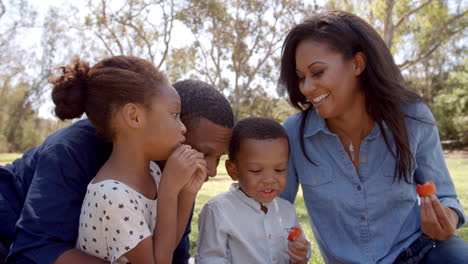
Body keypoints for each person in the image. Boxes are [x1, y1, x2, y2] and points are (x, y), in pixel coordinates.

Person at [278, 10, 467, 264]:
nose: (307, 87)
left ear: (357, 64)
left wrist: (447, 218)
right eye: (301, 77)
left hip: (423, 251)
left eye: (318, 72)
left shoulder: (411, 116)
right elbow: (274, 210)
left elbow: (444, 195)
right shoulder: (294, 134)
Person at [0, 74, 233, 263]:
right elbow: (34, 251)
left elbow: (172, 253)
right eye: (203, 153)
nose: (211, 170)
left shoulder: (178, 174)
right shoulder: (74, 148)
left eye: (218, 158)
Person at [196, 117, 310, 264]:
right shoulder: (218, 210)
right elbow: (210, 259)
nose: (270, 179)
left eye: (279, 169)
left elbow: (298, 249)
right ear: (233, 170)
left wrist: (300, 254)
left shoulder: (287, 210)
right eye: (256, 171)